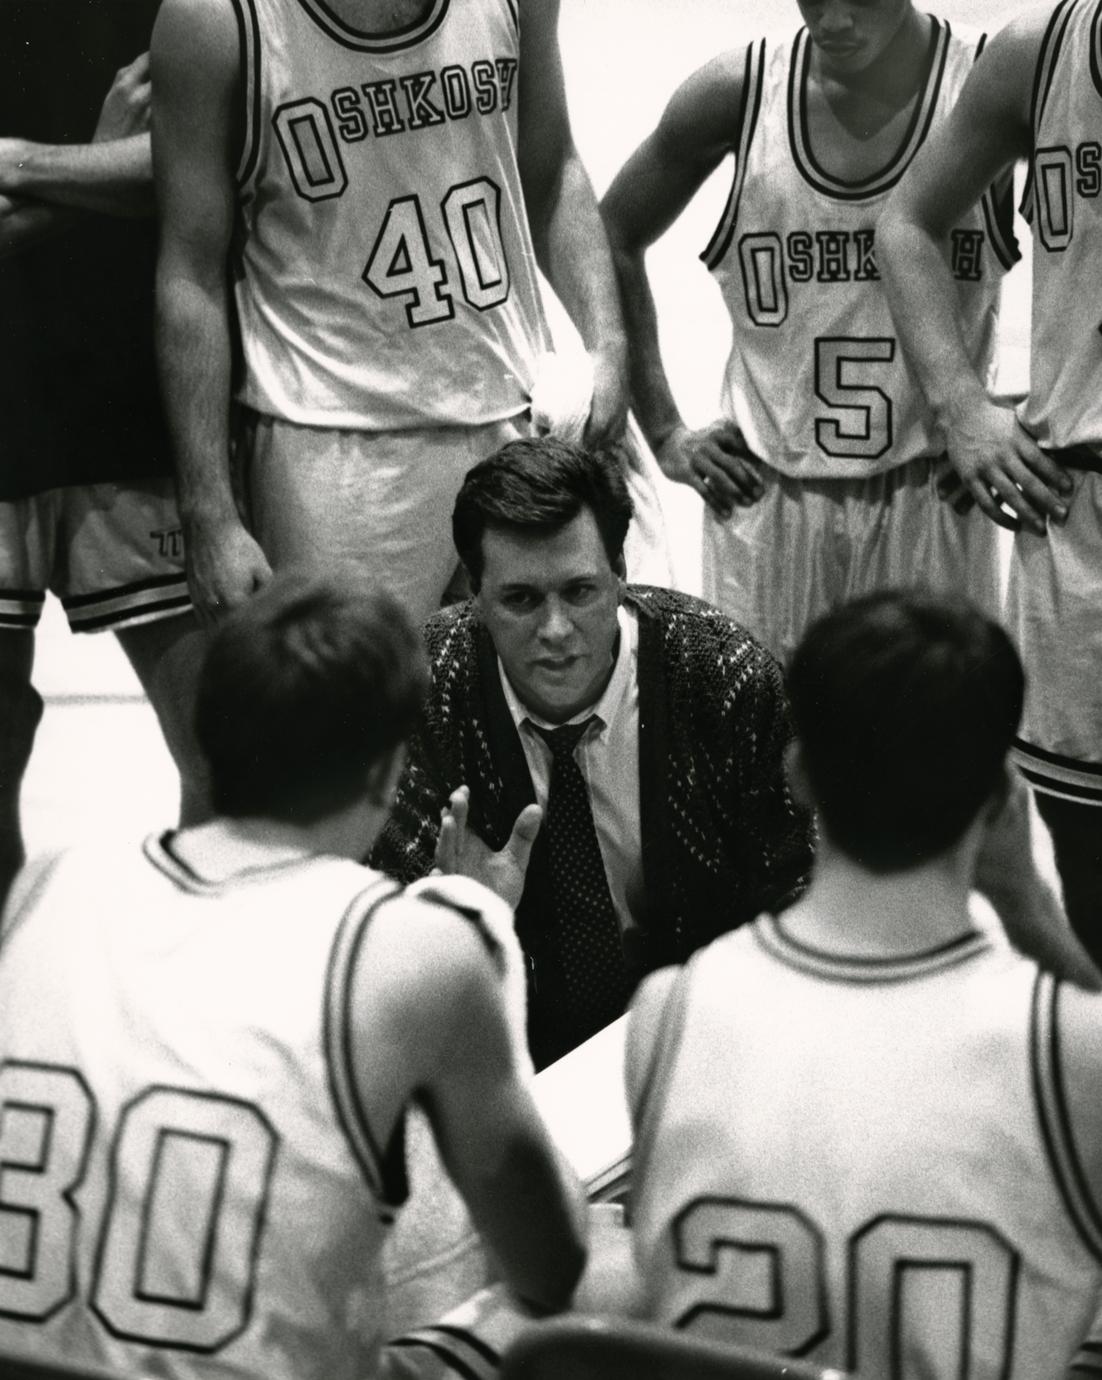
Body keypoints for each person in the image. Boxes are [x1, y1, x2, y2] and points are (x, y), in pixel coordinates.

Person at [0, 567, 586, 1380]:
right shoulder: (415, 949)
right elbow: (550, 1265)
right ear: (384, 773)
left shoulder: (47, 885)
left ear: (204, 740)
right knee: (607, 1277)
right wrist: (472, 919)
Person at [627, 591, 1102, 1376]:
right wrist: (1030, 908)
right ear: (1000, 799)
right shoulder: (1071, 1047)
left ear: (797, 774)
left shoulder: (667, 1012)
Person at [151, 0, 630, 629]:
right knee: (360, 694)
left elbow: (553, 171)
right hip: (333, 448)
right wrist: (208, 512)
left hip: (514, 412)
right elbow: (190, 272)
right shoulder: (213, 19)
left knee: (544, 683)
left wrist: (608, 344)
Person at [372, 435, 815, 1068]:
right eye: (521, 599)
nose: (555, 631)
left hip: (705, 1039)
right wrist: (463, 925)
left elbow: (800, 894)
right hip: (506, 1055)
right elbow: (384, 964)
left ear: (620, 574)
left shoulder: (722, 677)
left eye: (579, 591)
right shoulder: (420, 695)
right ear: (475, 594)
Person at [600, 0, 1014, 667]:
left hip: (931, 490)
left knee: (932, 728)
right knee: (762, 730)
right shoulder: (737, 93)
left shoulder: (993, 78)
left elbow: (1081, 241)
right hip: (768, 493)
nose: (834, 20)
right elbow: (611, 233)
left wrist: (1031, 415)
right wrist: (665, 429)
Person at [878, 0, 1102, 966]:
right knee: (1089, 868)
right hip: (1082, 520)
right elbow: (906, 223)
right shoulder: (1039, 52)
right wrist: (960, 403)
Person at [0, 0, 208, 906]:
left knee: (229, 755)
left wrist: (22, 165)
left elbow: (200, 163)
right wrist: (98, 166)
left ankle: (206, 991)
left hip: (138, 406)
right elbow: (142, 171)